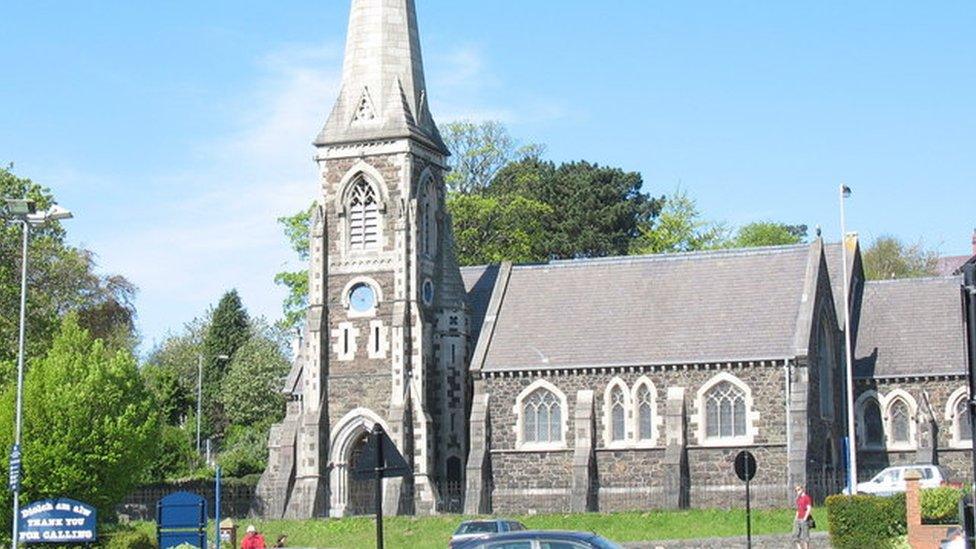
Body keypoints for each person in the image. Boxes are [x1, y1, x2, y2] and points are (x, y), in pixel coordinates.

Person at [792, 484, 812, 549]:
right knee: (795, 536)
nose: (797, 491)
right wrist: (795, 518)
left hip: (804, 519)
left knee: (805, 537)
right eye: (796, 490)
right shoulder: (798, 499)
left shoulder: (806, 498)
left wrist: (805, 518)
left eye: (798, 489)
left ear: (802, 489)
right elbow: (798, 510)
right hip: (798, 519)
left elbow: (809, 508)